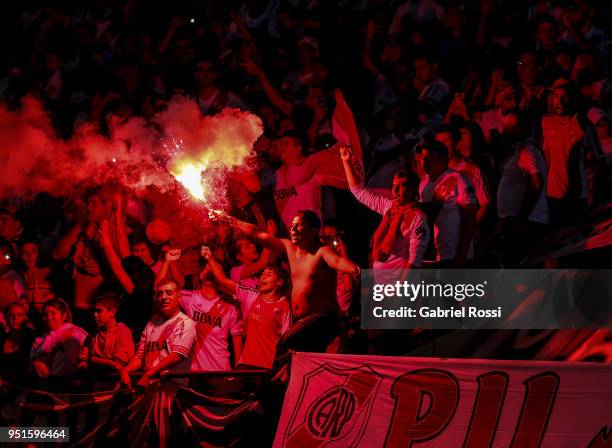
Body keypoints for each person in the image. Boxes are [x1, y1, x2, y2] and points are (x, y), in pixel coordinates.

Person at [226, 211, 360, 353]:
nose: (293, 230)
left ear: (313, 231)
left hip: (323, 318)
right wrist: (229, 220)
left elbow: (338, 261)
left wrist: (354, 269)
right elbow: (257, 234)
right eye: (292, 226)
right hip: (303, 323)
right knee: (304, 362)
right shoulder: (288, 247)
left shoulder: (322, 251)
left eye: (299, 226)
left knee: (286, 344)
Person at [341, 146, 430, 274]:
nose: (395, 190)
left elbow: (413, 263)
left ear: (412, 191)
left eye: (402, 186)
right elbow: (359, 191)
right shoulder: (389, 207)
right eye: (393, 186)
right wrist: (346, 162)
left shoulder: (417, 217)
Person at [206, 254, 291, 370]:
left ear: (279, 282)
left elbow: (286, 340)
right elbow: (223, 280)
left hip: (268, 366)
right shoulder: (251, 295)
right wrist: (210, 258)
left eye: (269, 275)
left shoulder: (284, 306)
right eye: (262, 274)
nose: (263, 277)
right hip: (246, 362)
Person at [120, 277, 196, 389]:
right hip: (149, 386)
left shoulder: (186, 323)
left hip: (172, 389)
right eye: (160, 294)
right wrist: (126, 370)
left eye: (169, 293)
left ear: (179, 297)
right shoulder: (151, 325)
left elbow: (177, 355)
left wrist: (150, 373)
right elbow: (140, 357)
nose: (163, 297)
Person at [493, 112, 548, 266]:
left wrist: (521, 217)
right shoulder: (517, 149)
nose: (505, 130)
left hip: (528, 223)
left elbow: (537, 183)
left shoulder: (527, 150)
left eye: (510, 126)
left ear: (522, 128)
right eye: (504, 126)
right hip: (517, 222)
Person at [269, 133, 348, 234]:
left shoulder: (312, 166)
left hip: (310, 236)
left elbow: (344, 182)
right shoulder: (278, 173)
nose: (282, 146)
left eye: (286, 143)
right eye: (281, 143)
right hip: (290, 239)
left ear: (298, 148)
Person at [417, 140, 479, 267]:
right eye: (423, 157)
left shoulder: (458, 179)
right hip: (431, 256)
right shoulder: (423, 184)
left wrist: (462, 254)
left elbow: (470, 217)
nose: (425, 161)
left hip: (454, 255)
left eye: (430, 157)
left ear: (444, 158)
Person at [178, 260, 244, 373]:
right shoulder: (190, 298)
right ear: (201, 275)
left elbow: (237, 338)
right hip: (194, 370)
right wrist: (168, 262)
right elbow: (160, 290)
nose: (210, 270)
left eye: (214, 268)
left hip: (220, 369)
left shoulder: (230, 305)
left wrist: (238, 369)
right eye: (207, 268)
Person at [29, 299, 88, 379]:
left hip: (70, 382)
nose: (49, 317)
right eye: (45, 315)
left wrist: (84, 359)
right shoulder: (38, 340)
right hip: (45, 384)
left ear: (64, 316)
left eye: (53, 313)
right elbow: (30, 364)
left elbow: (87, 345)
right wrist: (35, 363)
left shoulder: (74, 331)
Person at [78, 293, 134, 374]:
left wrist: (91, 359)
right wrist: (84, 363)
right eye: (94, 311)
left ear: (112, 312)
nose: (95, 315)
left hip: (116, 383)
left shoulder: (123, 332)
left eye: (99, 311)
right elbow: (83, 361)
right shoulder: (93, 334)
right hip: (96, 384)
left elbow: (118, 366)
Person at [0, 301, 34, 380]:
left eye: (19, 315)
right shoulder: (2, 337)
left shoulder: (31, 337)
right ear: (6, 317)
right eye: (10, 315)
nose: (15, 318)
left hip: (24, 386)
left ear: (26, 317)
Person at [19, 240, 54, 316]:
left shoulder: (48, 272)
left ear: (39, 254)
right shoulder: (18, 277)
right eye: (25, 252)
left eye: (33, 251)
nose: (29, 256)